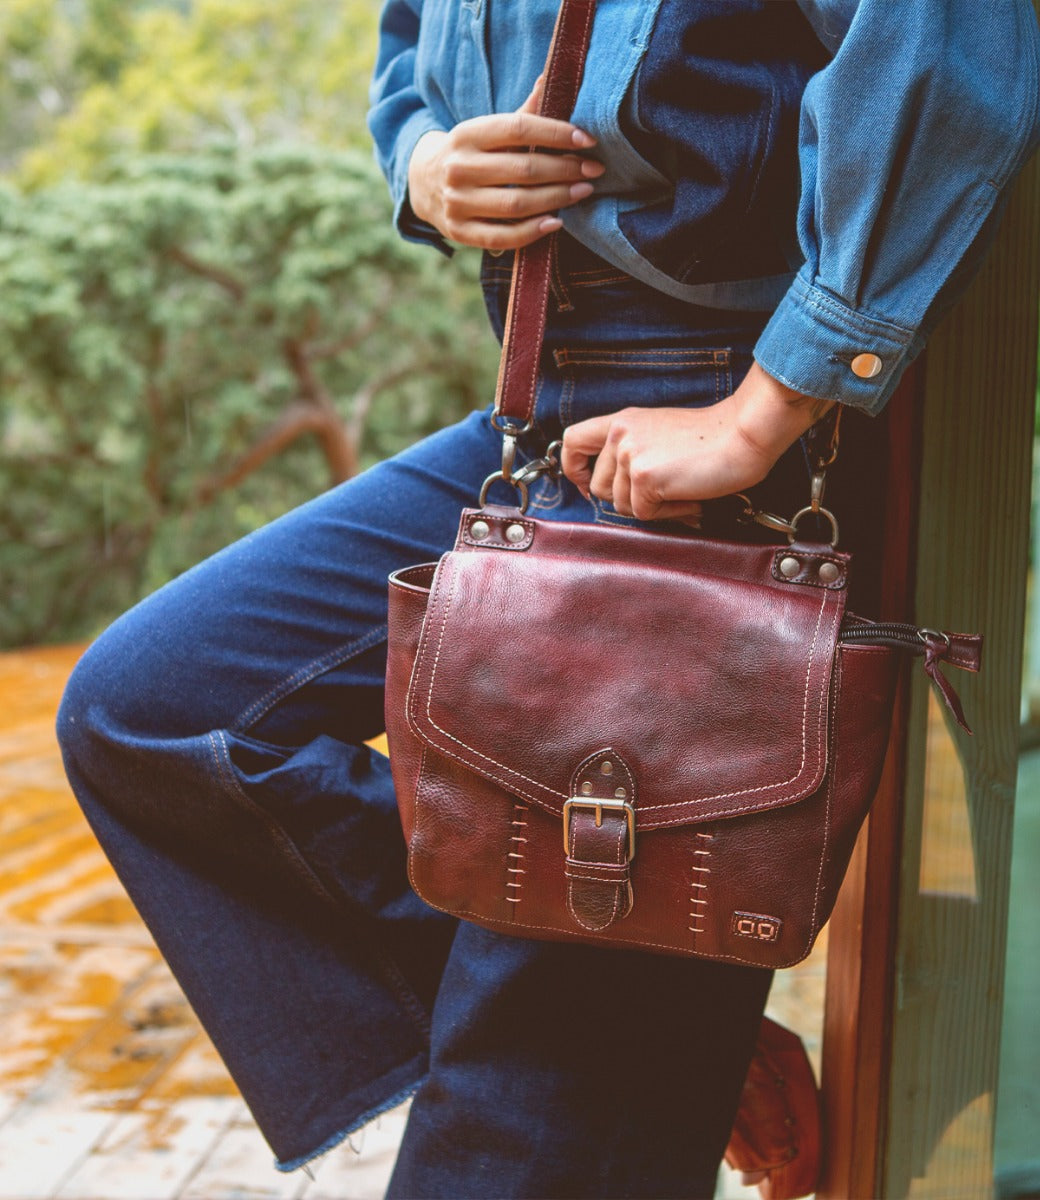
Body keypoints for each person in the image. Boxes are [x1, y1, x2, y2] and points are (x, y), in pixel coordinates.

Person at [57, 2, 1040, 1197]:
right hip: (537, 423)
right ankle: (640, 995)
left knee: (502, 1163)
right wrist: (421, 164)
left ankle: (618, 1003)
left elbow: (946, 45)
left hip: (718, 444)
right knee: (158, 709)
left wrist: (764, 409)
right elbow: (410, 47)